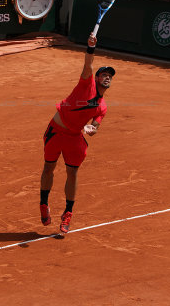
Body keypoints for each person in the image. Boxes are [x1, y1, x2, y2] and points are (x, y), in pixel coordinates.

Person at [40, 33, 115, 233]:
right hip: (55, 132)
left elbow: (96, 125)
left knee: (72, 173)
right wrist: (90, 47)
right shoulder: (86, 83)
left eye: (110, 76)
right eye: (105, 74)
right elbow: (88, 64)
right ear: (97, 78)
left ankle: (68, 213)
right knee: (49, 168)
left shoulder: (103, 107)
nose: (107, 77)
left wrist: (92, 129)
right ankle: (43, 203)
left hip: (74, 137)